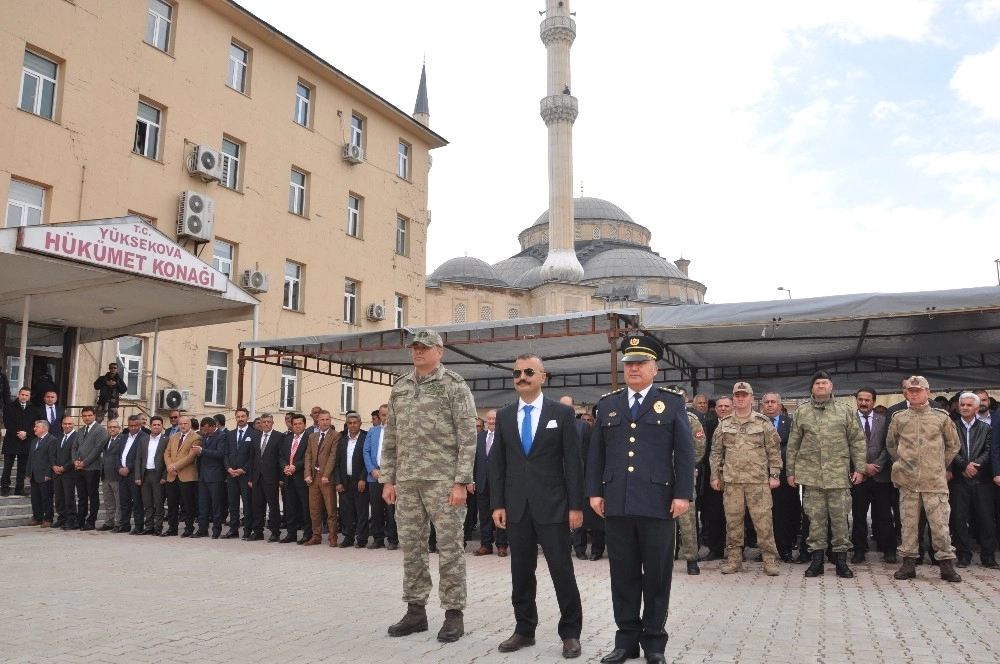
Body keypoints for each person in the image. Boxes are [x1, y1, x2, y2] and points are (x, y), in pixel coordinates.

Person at [587, 334, 694, 664]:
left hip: (658, 502)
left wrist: (682, 495)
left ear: (655, 368)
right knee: (623, 574)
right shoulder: (608, 404)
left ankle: (655, 644)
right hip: (617, 502)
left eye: (640, 363)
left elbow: (685, 454)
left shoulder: (672, 403)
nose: (633, 368)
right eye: (629, 363)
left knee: (657, 576)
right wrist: (594, 491)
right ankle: (626, 642)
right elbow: (596, 454)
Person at [380, 329, 477, 644]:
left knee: (449, 549)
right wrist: (388, 478)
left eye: (424, 347)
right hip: (407, 481)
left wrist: (461, 481)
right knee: (412, 547)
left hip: (443, 481)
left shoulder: (454, 386)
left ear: (440, 351)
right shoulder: (401, 387)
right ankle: (416, 611)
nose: (418, 352)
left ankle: (453, 614)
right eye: (414, 348)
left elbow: (467, 435)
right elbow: (391, 435)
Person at [491, 355, 583, 658]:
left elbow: (573, 461)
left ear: (543, 376)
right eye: (516, 372)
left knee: (561, 570)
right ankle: (524, 629)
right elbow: (498, 465)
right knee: (521, 572)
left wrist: (575, 506)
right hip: (517, 506)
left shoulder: (562, 413)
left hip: (554, 505)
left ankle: (570, 633)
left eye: (529, 371)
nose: (522, 377)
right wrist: (498, 504)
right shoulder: (505, 416)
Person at [786, 371, 866, 579]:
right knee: (815, 521)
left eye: (825, 383)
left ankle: (841, 562)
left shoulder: (844, 411)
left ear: (832, 387)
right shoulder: (802, 412)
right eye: (817, 383)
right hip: (812, 477)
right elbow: (793, 444)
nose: (821, 386)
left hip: (838, 476)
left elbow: (857, 441)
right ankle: (816, 561)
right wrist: (790, 472)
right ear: (812, 388)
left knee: (840, 520)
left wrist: (859, 468)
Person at [887, 376, 962, 582]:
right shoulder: (899, 417)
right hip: (908, 481)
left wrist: (937, 464)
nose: (914, 393)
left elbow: (953, 445)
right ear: (906, 394)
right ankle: (908, 565)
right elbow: (892, 446)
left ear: (928, 392)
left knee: (940, 525)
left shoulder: (941, 417)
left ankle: (946, 565)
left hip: (934, 482)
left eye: (918, 390)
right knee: (908, 525)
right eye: (911, 391)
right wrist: (904, 464)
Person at [709, 382, 782, 576]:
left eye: (744, 395)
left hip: (758, 482)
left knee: (763, 522)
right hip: (732, 482)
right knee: (733, 523)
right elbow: (716, 452)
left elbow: (774, 451)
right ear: (734, 398)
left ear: (751, 398)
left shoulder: (763, 422)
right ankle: (734, 561)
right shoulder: (724, 424)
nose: (740, 398)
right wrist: (714, 476)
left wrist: (774, 475)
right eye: (737, 395)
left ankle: (769, 560)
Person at [949, 392, 997, 569]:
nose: (965, 408)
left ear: (976, 408)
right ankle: (963, 556)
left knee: (986, 519)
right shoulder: (952, 427)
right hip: (960, 481)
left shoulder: (986, 428)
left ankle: (988, 557)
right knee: (959, 519)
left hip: (981, 481)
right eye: (962, 405)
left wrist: (975, 466)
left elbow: (989, 450)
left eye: (969, 405)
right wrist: (964, 466)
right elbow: (951, 450)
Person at [850, 388, 895, 564]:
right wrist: (862, 467)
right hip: (859, 476)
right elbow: (846, 447)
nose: (863, 403)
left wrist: (878, 465)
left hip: (881, 475)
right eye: (860, 399)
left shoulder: (884, 421)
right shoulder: (849, 421)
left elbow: (889, 446)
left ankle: (889, 550)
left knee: (885, 515)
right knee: (859, 515)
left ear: (873, 401)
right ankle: (859, 550)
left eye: (867, 400)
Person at [761, 392, 798, 563]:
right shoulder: (757, 423)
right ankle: (765, 551)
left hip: (783, 476)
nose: (769, 405)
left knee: (783, 514)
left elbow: (792, 446)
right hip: (760, 475)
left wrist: (773, 455)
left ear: (780, 405)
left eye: (773, 402)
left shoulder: (790, 423)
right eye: (767, 402)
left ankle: (785, 549)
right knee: (763, 516)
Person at [472, 410, 508, 557]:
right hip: (481, 482)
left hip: (499, 483)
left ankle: (502, 545)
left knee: (500, 514)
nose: (492, 421)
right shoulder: (479, 438)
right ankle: (486, 545)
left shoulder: (505, 438)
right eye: (490, 419)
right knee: (484, 515)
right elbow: (474, 461)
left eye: (494, 419)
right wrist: (471, 480)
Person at [700, 396, 732, 561]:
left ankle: (736, 549)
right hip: (713, 475)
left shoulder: (737, 423)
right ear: (716, 408)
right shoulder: (708, 424)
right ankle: (715, 549)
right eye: (720, 406)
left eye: (727, 406)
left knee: (735, 514)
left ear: (732, 408)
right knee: (714, 514)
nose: (723, 409)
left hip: (735, 475)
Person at [363, 403, 398, 549]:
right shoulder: (372, 431)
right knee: (376, 509)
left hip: (390, 477)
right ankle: (377, 539)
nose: (386, 417)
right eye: (383, 415)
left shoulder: (398, 432)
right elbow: (366, 452)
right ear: (379, 416)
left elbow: (399, 454)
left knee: (390, 510)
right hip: (374, 476)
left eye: (388, 414)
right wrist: (372, 470)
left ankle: (392, 540)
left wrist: (389, 472)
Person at [303, 410, 339, 546]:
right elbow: (308, 455)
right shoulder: (312, 436)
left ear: (330, 421)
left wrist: (326, 475)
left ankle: (332, 536)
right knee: (314, 509)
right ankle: (316, 536)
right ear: (317, 421)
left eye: (327, 419)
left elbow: (333, 456)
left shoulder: (335, 435)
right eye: (322, 420)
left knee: (330, 509)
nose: (325, 422)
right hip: (313, 478)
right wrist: (307, 474)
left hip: (326, 478)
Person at [335, 411, 369, 548]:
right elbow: (337, 463)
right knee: (346, 511)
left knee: (361, 512)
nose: (353, 425)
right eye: (350, 423)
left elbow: (368, 460)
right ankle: (348, 538)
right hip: (345, 481)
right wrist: (338, 481)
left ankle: (362, 539)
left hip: (359, 480)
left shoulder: (366, 439)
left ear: (360, 424)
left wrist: (363, 478)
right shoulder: (342, 441)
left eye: (355, 423)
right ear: (346, 425)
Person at [224, 408, 259, 540]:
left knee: (247, 504)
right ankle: (233, 529)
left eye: (243, 416)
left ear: (247, 418)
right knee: (232, 504)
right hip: (231, 474)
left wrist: (243, 469)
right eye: (238, 416)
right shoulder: (230, 434)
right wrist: (228, 468)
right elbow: (226, 453)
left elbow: (254, 456)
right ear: (235, 418)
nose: (240, 419)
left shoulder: (254, 434)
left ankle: (247, 530)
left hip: (245, 475)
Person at [163, 415, 201, 537]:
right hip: (172, 476)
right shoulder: (173, 437)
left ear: (189, 424)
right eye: (181, 424)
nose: (183, 426)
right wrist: (170, 466)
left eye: (185, 423)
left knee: (188, 504)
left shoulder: (196, 437)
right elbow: (166, 453)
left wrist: (175, 467)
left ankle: (189, 527)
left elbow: (191, 457)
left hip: (187, 476)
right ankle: (172, 528)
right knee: (172, 504)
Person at [248, 413, 283, 542]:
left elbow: (281, 458)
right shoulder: (256, 437)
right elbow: (252, 458)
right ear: (260, 424)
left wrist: (281, 478)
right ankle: (258, 531)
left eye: (268, 422)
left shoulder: (279, 437)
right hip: (257, 477)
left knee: (273, 506)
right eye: (264, 422)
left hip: (271, 477)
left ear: (272, 423)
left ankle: (275, 532)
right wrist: (251, 477)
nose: (266, 424)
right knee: (257, 506)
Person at [72, 406, 108, 531]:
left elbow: (97, 449)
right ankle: (80, 519)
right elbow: (74, 447)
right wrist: (75, 461)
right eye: (84, 416)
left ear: (94, 415)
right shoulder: (80, 430)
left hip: (92, 468)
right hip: (79, 468)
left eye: (89, 415)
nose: (87, 418)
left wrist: (85, 462)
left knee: (92, 495)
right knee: (82, 495)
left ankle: (91, 521)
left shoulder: (100, 430)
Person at [134, 415, 169, 536]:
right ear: (150, 426)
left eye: (159, 425)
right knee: (147, 503)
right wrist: (138, 476)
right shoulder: (143, 440)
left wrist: (165, 476)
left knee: (158, 503)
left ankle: (158, 527)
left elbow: (168, 460)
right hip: (145, 475)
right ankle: (148, 526)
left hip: (158, 475)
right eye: (154, 425)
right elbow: (138, 459)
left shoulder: (166, 440)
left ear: (162, 426)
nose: (156, 427)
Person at [279, 413, 311, 544]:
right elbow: (281, 455)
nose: (297, 426)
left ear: (304, 425)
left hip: (302, 478)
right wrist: (284, 467)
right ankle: (291, 534)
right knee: (290, 508)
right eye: (295, 424)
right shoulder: (287, 439)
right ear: (291, 425)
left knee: (305, 508)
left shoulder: (310, 438)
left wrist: (295, 467)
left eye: (300, 424)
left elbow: (309, 457)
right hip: (288, 478)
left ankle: (307, 534)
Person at [193, 416, 227, 538]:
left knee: (216, 505)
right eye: (203, 430)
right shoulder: (204, 437)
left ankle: (216, 530)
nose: (205, 432)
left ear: (214, 427)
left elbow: (220, 453)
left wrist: (202, 451)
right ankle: (202, 529)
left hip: (215, 476)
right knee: (203, 504)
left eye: (207, 430)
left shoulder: (221, 436)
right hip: (203, 476)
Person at [2, 387, 40, 496]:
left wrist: (26, 433)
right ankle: (4, 488)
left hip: (26, 441)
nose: (24, 397)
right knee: (7, 467)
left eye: (26, 395)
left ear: (29, 397)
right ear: (18, 394)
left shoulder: (34, 409)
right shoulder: (9, 407)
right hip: (11, 440)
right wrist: (18, 433)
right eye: (22, 394)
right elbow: (7, 422)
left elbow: (35, 424)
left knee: (22, 468)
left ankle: (19, 488)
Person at [117, 415, 147, 534]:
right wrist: (119, 467)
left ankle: (139, 526)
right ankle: (125, 524)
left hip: (135, 474)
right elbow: (118, 454)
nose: (133, 428)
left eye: (136, 426)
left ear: (140, 425)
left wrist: (128, 468)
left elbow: (140, 457)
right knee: (124, 502)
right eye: (131, 426)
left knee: (137, 502)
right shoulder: (124, 437)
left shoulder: (144, 438)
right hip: (122, 475)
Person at [26, 419, 57, 527]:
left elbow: (51, 459)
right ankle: (37, 517)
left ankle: (48, 519)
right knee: (35, 498)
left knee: (46, 497)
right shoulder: (34, 441)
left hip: (45, 475)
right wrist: (28, 473)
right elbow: (30, 458)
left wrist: (49, 474)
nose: (34, 428)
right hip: (34, 474)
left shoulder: (52, 440)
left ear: (44, 428)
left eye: (37, 427)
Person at [52, 416, 80, 530]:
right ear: (62, 424)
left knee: (69, 497)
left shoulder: (77, 437)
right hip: (57, 473)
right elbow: (53, 454)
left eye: (69, 424)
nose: (67, 426)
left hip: (69, 473)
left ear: (73, 425)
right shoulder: (59, 437)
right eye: (65, 424)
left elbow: (75, 455)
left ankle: (71, 519)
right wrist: (54, 466)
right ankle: (61, 518)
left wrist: (64, 468)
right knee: (59, 497)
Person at [98, 420, 123, 531]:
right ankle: (109, 522)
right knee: (108, 501)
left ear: (119, 428)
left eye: (114, 427)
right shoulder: (107, 440)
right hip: (105, 475)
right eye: (109, 427)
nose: (112, 429)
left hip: (116, 475)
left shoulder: (123, 439)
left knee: (118, 502)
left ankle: (119, 523)